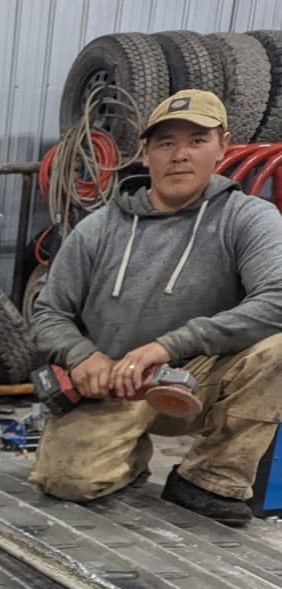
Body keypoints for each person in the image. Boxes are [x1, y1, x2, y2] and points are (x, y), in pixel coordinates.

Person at [29, 89, 282, 526]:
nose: (180, 155)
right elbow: (48, 312)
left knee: (277, 351)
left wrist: (167, 346)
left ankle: (210, 478)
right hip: (113, 381)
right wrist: (81, 355)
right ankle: (128, 457)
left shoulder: (248, 219)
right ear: (145, 154)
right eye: (165, 143)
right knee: (66, 481)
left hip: (199, 379)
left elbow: (277, 298)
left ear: (223, 144)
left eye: (197, 140)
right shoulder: (98, 229)